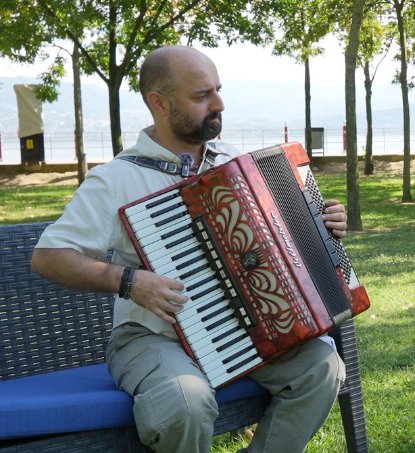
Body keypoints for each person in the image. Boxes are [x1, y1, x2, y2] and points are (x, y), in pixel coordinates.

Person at [30, 45, 346, 453]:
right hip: (152, 336)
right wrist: (128, 280)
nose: (219, 104)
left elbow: (285, 239)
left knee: (322, 368)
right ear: (159, 103)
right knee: (186, 402)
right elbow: (49, 256)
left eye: (217, 90)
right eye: (201, 96)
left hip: (247, 329)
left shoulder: (238, 163)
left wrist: (323, 223)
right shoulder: (114, 180)